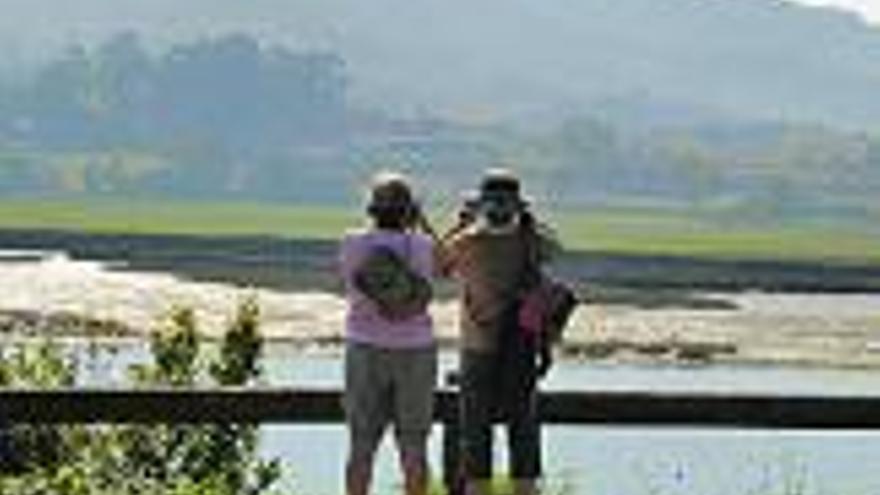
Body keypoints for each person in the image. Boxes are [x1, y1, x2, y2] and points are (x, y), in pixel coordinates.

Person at [435, 169, 558, 495]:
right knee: (523, 429)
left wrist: (462, 222)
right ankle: (526, 490)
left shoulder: (467, 242)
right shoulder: (531, 242)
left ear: (483, 204)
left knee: (476, 430)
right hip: (522, 346)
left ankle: (478, 490)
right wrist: (530, 221)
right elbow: (554, 248)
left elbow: (439, 264)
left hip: (477, 347)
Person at [339, 172, 437, 495]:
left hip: (364, 348)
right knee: (414, 446)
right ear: (408, 210)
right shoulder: (423, 246)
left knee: (361, 445)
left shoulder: (353, 243)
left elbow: (350, 284)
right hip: (417, 351)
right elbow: (447, 264)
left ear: (372, 209)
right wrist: (421, 221)